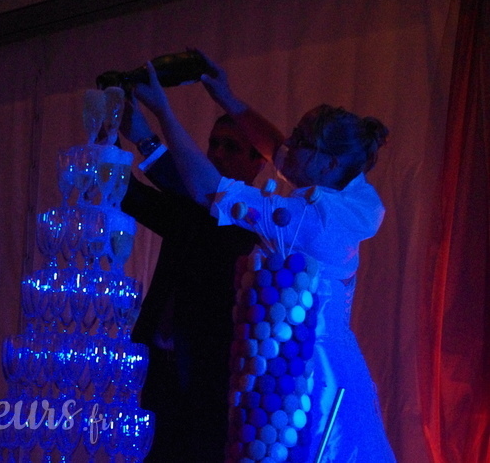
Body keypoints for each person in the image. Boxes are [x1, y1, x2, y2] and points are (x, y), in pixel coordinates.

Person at [131, 58, 396, 461]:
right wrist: (226, 97)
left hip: (306, 373)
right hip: (310, 358)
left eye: (301, 140)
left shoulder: (311, 222)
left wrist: (163, 112)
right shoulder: (349, 190)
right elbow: (283, 152)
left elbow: (212, 193)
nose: (286, 146)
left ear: (327, 163)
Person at [119, 78, 284, 461]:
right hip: (157, 369)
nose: (216, 153)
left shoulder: (258, 216)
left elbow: (186, 188)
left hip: (210, 380)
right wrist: (107, 140)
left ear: (258, 160)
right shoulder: (192, 208)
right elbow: (134, 195)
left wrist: (145, 136)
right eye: (213, 144)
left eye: (231, 146)